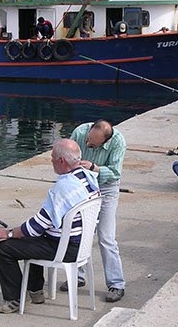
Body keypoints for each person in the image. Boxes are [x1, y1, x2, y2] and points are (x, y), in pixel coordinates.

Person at [0, 139, 100, 314]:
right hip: (81, 245)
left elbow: (36, 227)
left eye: (52, 157)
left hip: (65, 249)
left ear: (61, 161)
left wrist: (8, 233)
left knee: (2, 247)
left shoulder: (63, 187)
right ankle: (35, 291)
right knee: (31, 239)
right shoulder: (88, 177)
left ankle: (14, 298)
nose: (51, 161)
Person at [61, 120, 126, 303]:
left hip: (106, 188)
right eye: (88, 141)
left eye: (93, 145)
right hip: (80, 185)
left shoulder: (118, 142)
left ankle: (116, 284)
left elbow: (115, 173)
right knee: (78, 232)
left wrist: (93, 168)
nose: (88, 144)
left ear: (105, 142)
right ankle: (77, 276)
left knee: (106, 236)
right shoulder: (79, 132)